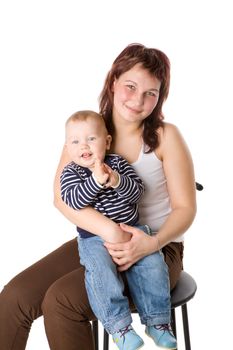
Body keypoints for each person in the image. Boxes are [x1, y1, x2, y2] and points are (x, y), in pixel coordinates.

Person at [0, 43, 196, 350]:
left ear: (160, 98)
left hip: (159, 247)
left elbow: (186, 208)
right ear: (113, 81)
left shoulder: (165, 136)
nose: (138, 99)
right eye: (131, 86)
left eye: (151, 93)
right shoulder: (86, 131)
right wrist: (111, 233)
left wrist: (150, 244)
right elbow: (61, 198)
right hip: (98, 240)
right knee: (14, 297)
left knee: (61, 301)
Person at [60, 110, 176, 349]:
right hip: (94, 239)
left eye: (91, 139)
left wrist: (116, 180)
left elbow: (138, 193)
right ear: (67, 147)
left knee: (153, 265)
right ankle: (119, 327)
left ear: (107, 141)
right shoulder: (71, 172)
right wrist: (95, 181)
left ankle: (158, 322)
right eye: (75, 141)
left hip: (134, 230)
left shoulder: (117, 164)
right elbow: (74, 201)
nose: (84, 146)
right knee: (101, 273)